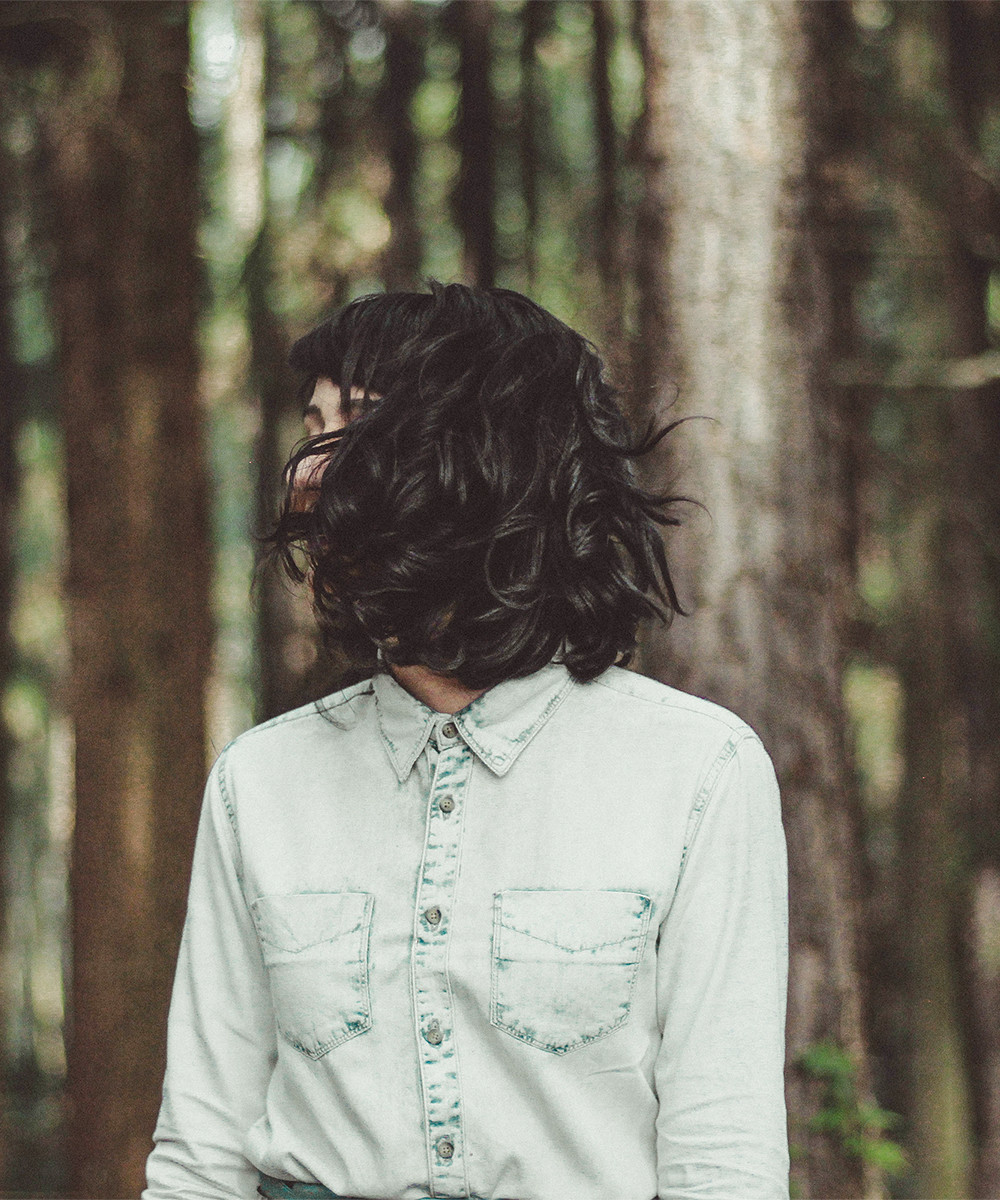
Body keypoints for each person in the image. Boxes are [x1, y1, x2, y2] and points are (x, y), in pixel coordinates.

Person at [143, 282, 789, 1200]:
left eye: (356, 426)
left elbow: (725, 1165)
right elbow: (199, 1158)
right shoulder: (260, 780)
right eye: (310, 429)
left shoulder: (697, 771)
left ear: (493, 458)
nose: (306, 476)